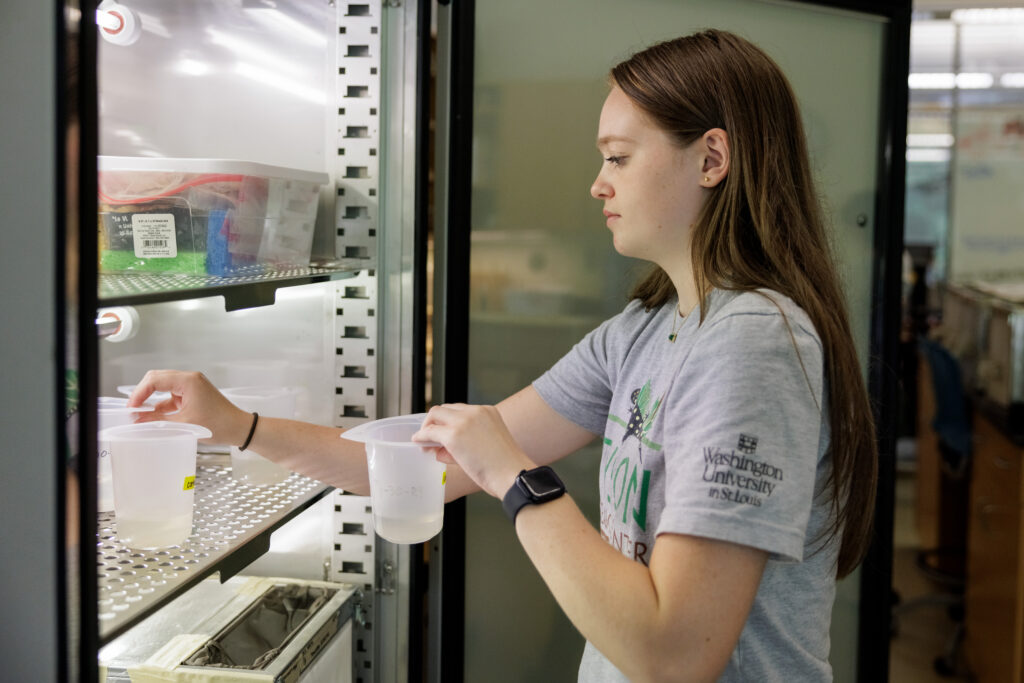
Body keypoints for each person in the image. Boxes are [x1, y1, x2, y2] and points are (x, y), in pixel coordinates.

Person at [130, 29, 877, 682]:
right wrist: (237, 425)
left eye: (618, 156)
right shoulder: (645, 330)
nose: (597, 183)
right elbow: (414, 460)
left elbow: (675, 655)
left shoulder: (753, 343)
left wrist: (516, 477)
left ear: (712, 157)